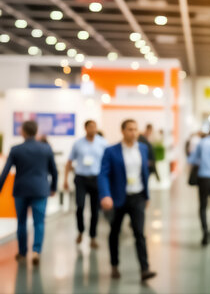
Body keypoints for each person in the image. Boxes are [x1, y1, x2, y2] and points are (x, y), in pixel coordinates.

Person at [98, 119, 156, 281]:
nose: (133, 132)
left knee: (139, 233)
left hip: (137, 197)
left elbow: (144, 173)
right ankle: (114, 265)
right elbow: (103, 174)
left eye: (135, 129)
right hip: (117, 198)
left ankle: (145, 269)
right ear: (122, 131)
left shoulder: (143, 149)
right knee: (114, 232)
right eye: (130, 129)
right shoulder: (111, 151)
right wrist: (105, 195)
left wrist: (147, 195)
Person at [0, 121, 57, 266]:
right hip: (40, 189)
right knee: (39, 222)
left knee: (21, 222)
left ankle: (22, 252)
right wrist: (53, 188)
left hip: (21, 190)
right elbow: (54, 171)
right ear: (36, 131)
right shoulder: (46, 149)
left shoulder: (16, 149)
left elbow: (5, 172)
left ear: (23, 132)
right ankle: (36, 251)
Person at [63, 120, 108, 248]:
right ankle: (80, 231)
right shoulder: (78, 144)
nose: (93, 129)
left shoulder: (102, 143)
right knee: (80, 206)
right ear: (85, 128)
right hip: (81, 178)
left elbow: (107, 162)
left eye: (95, 127)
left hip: (96, 178)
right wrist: (65, 180)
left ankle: (93, 236)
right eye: (90, 127)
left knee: (95, 210)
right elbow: (69, 162)